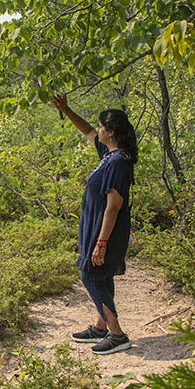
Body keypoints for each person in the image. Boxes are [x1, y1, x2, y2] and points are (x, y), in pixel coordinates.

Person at [51, 94, 137, 355]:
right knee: (102, 274)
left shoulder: (119, 163)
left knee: (90, 274)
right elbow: (87, 130)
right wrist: (66, 110)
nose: (97, 129)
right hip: (95, 227)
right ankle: (100, 327)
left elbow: (113, 207)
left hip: (105, 231)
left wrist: (101, 243)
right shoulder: (108, 154)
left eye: (101, 126)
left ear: (111, 133)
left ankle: (117, 333)